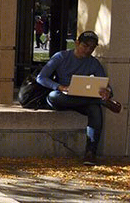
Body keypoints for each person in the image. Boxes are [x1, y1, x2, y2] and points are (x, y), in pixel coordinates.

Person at [37, 30, 122, 165]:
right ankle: (99, 101)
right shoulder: (61, 57)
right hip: (62, 97)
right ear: (77, 43)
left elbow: (106, 85)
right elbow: (41, 78)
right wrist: (60, 87)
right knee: (54, 96)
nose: (88, 50)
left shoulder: (93, 63)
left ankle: (90, 153)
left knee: (95, 109)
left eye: (92, 48)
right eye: (85, 46)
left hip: (82, 100)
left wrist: (107, 92)